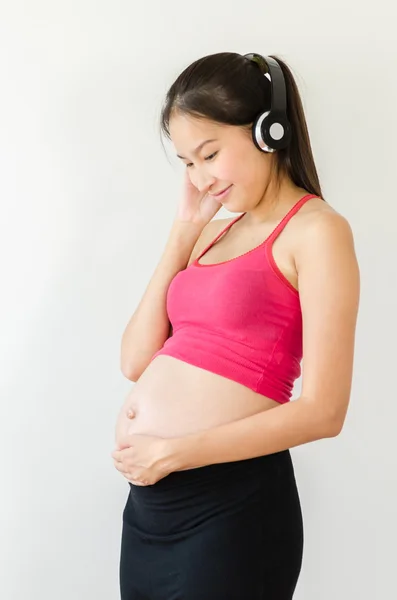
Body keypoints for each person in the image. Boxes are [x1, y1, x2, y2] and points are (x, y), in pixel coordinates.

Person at [112, 51, 360, 600]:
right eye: (187, 163)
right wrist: (182, 233)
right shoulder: (208, 236)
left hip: (232, 506)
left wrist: (176, 452)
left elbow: (325, 411)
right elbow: (134, 359)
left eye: (209, 154)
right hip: (152, 511)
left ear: (269, 132)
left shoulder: (316, 232)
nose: (201, 178)